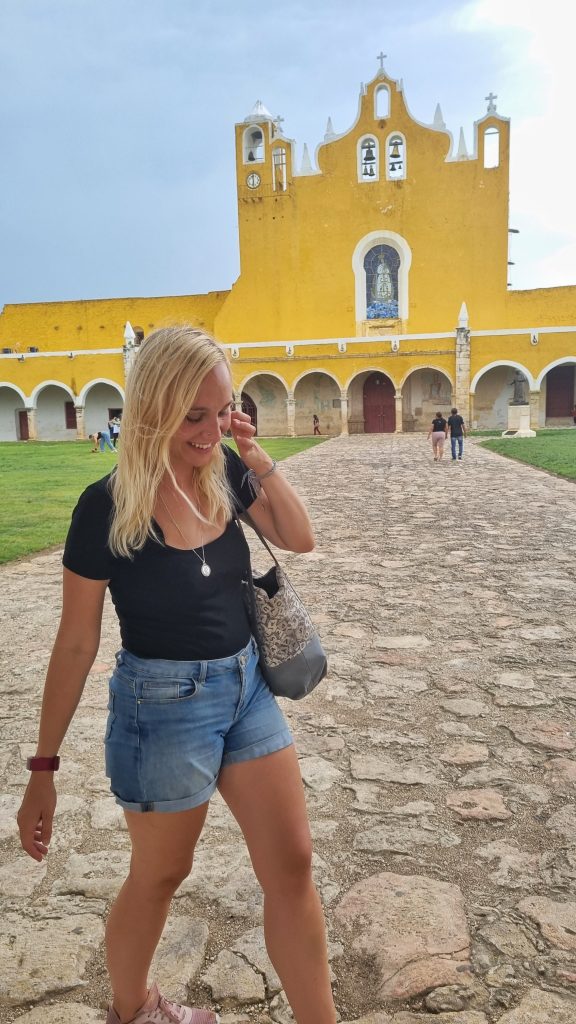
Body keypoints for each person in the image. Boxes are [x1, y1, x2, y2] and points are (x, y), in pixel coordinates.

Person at [17, 325, 337, 1024]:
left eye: (221, 411)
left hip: (247, 689)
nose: (210, 429)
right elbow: (75, 643)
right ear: (153, 409)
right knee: (161, 875)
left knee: (293, 862)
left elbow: (300, 536)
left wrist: (255, 453)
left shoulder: (225, 467)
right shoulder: (105, 507)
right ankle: (134, 1007)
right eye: (194, 416)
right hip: (160, 710)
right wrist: (43, 768)